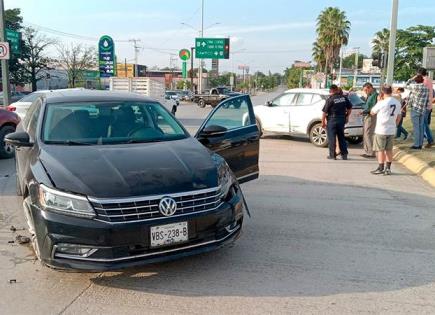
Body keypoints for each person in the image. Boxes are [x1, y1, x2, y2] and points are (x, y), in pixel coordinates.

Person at [370, 85, 402, 175]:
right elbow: (399, 116)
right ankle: (388, 168)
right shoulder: (397, 102)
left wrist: (378, 101)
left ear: (382, 92)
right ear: (391, 91)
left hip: (381, 129)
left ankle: (380, 168)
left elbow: (372, 112)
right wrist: (395, 125)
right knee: (389, 150)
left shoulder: (381, 103)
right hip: (391, 129)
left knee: (380, 150)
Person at [322, 84, 352, 160]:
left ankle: (332, 155)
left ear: (331, 91)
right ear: (337, 90)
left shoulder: (330, 99)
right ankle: (344, 155)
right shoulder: (344, 98)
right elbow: (349, 108)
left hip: (332, 120)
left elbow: (324, 112)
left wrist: (323, 122)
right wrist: (347, 116)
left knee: (332, 138)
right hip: (341, 119)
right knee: (341, 137)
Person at [406, 74, 429, 149]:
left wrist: (411, 78)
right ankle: (420, 144)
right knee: (421, 127)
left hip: (415, 109)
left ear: (415, 81)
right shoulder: (426, 87)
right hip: (423, 109)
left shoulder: (414, 87)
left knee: (416, 128)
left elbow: (406, 84)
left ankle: (416, 144)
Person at [361, 82, 378, 158]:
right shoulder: (370, 95)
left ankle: (371, 152)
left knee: (368, 134)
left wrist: (365, 111)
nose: (365, 92)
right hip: (366, 115)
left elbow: (373, 107)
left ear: (370, 88)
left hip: (370, 116)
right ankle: (367, 151)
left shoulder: (375, 95)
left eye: (366, 90)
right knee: (365, 134)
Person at [418, 68, 433, 148]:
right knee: (424, 123)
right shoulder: (429, 80)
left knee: (423, 124)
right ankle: (428, 140)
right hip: (429, 105)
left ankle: (430, 140)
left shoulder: (424, 81)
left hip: (424, 105)